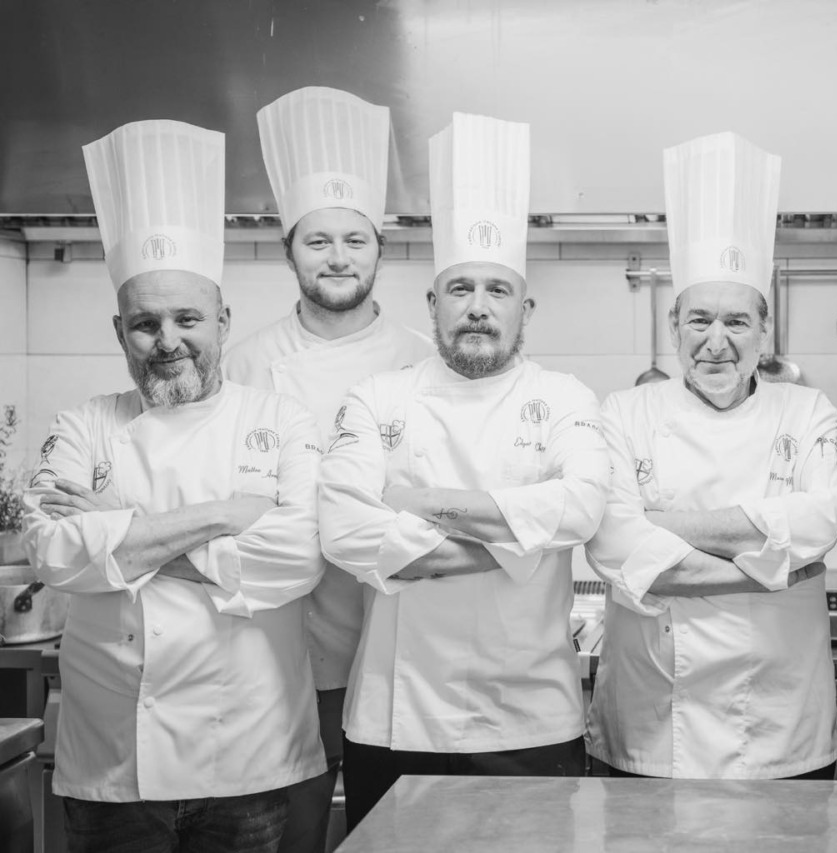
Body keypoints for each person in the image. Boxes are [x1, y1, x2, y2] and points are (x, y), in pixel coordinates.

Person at [22, 120, 325, 853]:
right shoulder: (84, 422)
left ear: (222, 321)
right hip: (112, 765)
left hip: (246, 756)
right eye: (145, 323)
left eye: (188, 318)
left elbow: (296, 559)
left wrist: (122, 531)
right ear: (118, 328)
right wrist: (226, 515)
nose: (168, 341)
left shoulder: (280, 418)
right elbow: (54, 554)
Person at [317, 112, 609, 828]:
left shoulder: (565, 397)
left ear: (526, 308)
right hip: (397, 717)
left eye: (497, 290)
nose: (478, 308)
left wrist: (413, 500)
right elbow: (342, 529)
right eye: (460, 289)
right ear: (433, 304)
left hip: (530, 721)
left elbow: (581, 510)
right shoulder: (378, 397)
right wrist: (514, 540)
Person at [584, 132, 837, 780]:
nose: (716, 342)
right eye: (699, 320)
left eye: (736, 322)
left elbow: (823, 521)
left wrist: (663, 527)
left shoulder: (807, 411)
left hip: (783, 731)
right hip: (651, 729)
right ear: (674, 326)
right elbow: (613, 542)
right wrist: (777, 564)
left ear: (766, 330)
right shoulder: (623, 412)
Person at [222, 86, 434, 853]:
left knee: (398, 835)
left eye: (355, 239)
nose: (339, 257)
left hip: (397, 643)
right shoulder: (244, 364)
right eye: (318, 242)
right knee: (291, 831)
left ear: (380, 249)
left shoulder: (422, 360)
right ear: (288, 252)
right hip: (282, 653)